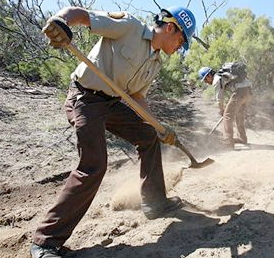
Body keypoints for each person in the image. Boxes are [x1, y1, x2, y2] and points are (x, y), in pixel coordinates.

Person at [30, 5, 196, 258]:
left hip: (112, 103)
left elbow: (137, 97)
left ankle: (155, 203)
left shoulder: (155, 62)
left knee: (148, 137)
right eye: (181, 40)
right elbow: (81, 15)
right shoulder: (129, 27)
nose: (180, 48)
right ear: (171, 28)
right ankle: (45, 242)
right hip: (84, 98)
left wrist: (157, 125)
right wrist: (60, 21)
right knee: (94, 164)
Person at [198, 66, 252, 149]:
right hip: (249, 92)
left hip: (240, 92)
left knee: (227, 116)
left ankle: (228, 142)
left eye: (205, 80)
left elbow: (219, 99)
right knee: (239, 114)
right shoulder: (224, 74)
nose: (206, 82)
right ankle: (242, 138)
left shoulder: (217, 79)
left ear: (208, 76)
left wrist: (222, 110)